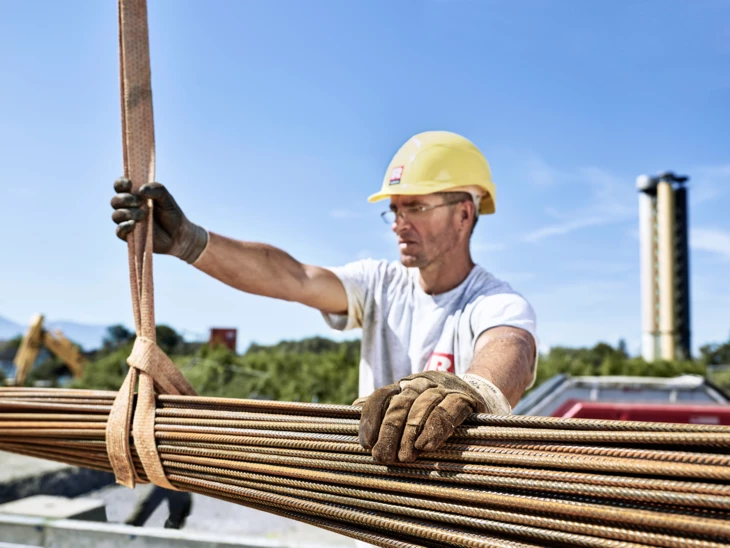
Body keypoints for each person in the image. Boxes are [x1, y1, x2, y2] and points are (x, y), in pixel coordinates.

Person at [110, 130, 537, 467]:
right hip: (376, 511)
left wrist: (472, 388)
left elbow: (509, 349)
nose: (398, 224)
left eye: (416, 208)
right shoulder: (381, 284)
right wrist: (190, 241)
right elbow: (294, 277)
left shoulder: (494, 301)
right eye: (396, 209)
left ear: (464, 213)